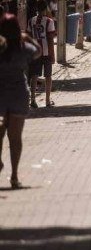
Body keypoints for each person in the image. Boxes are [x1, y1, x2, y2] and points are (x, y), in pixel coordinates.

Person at [0, 13, 41, 189]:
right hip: (18, 94)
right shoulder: (23, 47)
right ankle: (14, 175)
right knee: (15, 138)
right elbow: (38, 52)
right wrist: (28, 37)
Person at [28, 0, 57, 108]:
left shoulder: (31, 21)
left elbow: (29, 36)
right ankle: (47, 101)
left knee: (34, 75)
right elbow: (50, 38)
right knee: (48, 76)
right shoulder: (49, 21)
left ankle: (33, 100)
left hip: (35, 52)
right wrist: (52, 55)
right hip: (46, 52)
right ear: (45, 8)